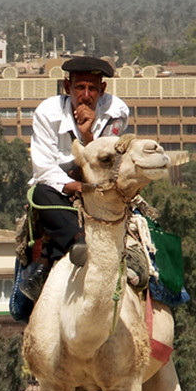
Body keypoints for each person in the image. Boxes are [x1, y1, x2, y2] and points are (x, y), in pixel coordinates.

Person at [23, 55, 129, 297]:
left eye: (93, 88)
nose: (86, 95)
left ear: (102, 89)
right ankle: (78, 243)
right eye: (80, 87)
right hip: (61, 187)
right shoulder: (47, 113)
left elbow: (108, 162)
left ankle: (146, 271)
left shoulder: (117, 112)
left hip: (102, 185)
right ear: (67, 87)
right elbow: (43, 168)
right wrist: (77, 187)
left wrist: (88, 136)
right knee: (39, 193)